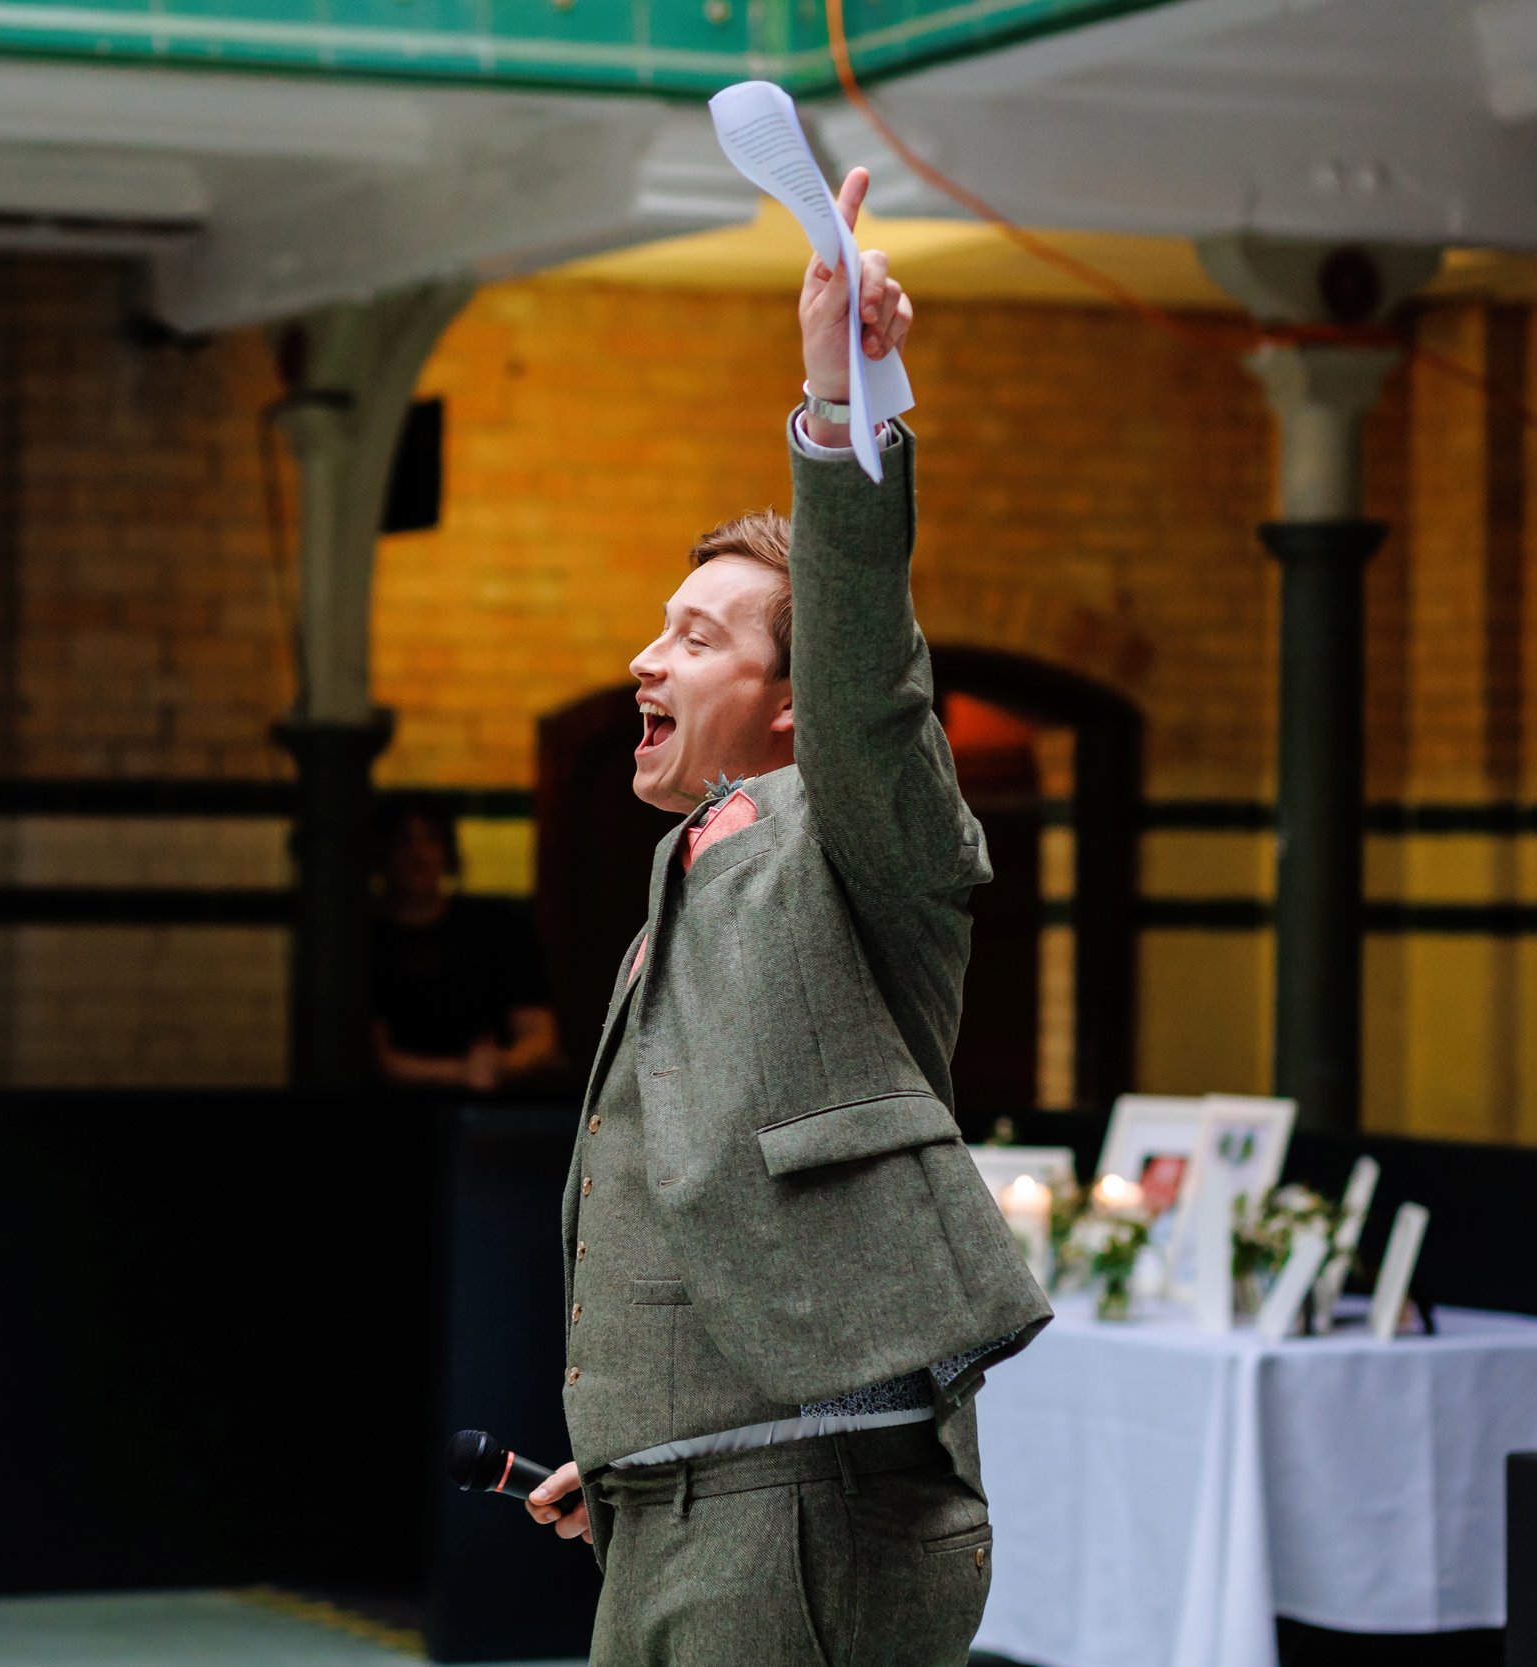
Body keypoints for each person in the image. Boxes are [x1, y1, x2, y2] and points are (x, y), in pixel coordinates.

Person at [518, 168, 1052, 1667]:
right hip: (682, 1504)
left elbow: (874, 660)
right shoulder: (692, 874)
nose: (644, 657)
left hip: (805, 1517)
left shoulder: (864, 826)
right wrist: (642, 1438)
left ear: (798, 701)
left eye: (697, 635)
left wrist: (840, 405)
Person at [370, 797, 563, 1094]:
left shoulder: (496, 929)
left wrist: (500, 1064)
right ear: (384, 851)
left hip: (491, 1114)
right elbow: (378, 1059)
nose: (418, 853)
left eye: (430, 839)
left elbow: (541, 1037)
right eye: (403, 840)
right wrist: (463, 1072)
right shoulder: (366, 943)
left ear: (447, 849)